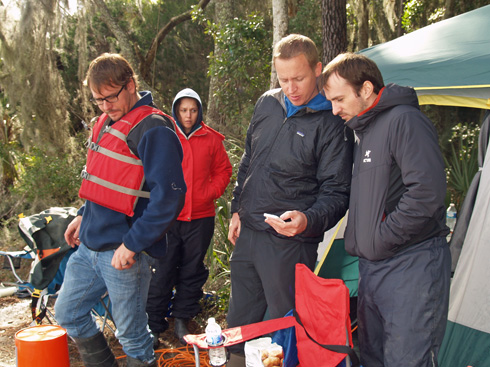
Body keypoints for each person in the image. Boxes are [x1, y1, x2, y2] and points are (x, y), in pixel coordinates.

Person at [54, 53, 186, 367]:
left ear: (131, 85)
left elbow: (169, 197)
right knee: (68, 314)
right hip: (88, 246)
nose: (105, 106)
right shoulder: (104, 122)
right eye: (98, 100)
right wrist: (83, 214)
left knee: (132, 336)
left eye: (111, 97)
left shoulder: (153, 128)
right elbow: (106, 180)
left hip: (124, 254)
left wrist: (132, 244)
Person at [226, 34, 353, 358]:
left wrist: (308, 220)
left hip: (289, 243)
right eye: (283, 79)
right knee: (238, 325)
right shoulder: (268, 102)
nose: (291, 88)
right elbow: (248, 160)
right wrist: (237, 209)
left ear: (318, 69)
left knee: (277, 331)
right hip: (249, 233)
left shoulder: (332, 121)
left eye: (299, 78)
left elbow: (338, 192)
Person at [322, 52, 451, 367]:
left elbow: (427, 194)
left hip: (412, 267)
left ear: (365, 89)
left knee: (407, 361)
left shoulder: (405, 121)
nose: (335, 108)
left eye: (339, 99)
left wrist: (380, 238)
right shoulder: (363, 131)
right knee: (373, 358)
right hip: (373, 270)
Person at [146, 88, 232, 346]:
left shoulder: (211, 139)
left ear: (199, 111)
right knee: (162, 269)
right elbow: (148, 169)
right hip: (168, 218)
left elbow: (224, 170)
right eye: (183, 110)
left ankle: (182, 319)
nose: (188, 115)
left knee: (192, 269)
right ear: (175, 110)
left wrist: (210, 192)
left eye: (193, 110)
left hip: (201, 216)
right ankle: (153, 324)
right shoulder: (165, 136)